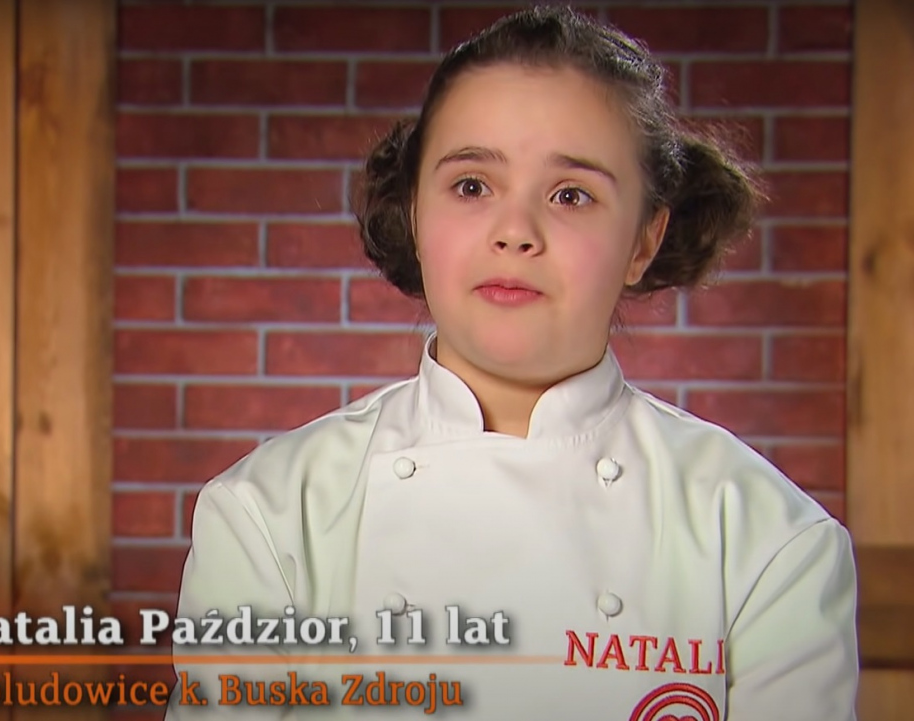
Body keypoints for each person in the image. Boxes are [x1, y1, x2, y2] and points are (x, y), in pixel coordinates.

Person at [164, 5, 859, 719]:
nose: (516, 232)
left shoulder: (767, 543)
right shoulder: (269, 516)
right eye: (472, 186)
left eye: (571, 195)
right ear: (415, 213)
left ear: (643, 242)